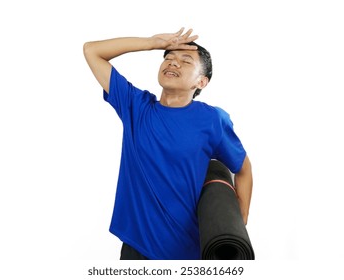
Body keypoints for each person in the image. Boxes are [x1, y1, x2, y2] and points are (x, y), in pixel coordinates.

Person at [83, 28, 253, 260]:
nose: (173, 63)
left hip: (186, 251)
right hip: (136, 247)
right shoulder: (136, 107)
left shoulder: (212, 120)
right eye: (169, 58)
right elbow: (92, 51)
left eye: (185, 60)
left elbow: (243, 169)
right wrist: (152, 43)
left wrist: (237, 223)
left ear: (201, 81)